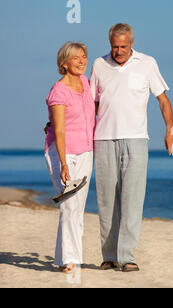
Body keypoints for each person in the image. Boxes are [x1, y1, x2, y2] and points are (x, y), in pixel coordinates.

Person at [90, 23, 173, 272]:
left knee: (133, 199)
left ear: (132, 43)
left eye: (123, 47)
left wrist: (170, 131)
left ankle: (126, 256)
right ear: (110, 44)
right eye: (114, 47)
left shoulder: (147, 63)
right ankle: (109, 255)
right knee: (107, 201)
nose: (118, 51)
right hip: (104, 139)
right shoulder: (98, 65)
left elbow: (162, 100)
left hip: (137, 140)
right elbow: (91, 105)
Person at [44, 42, 96, 273]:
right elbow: (61, 130)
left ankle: (64, 258)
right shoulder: (58, 91)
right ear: (64, 63)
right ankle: (70, 260)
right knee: (69, 205)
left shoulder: (85, 83)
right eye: (76, 57)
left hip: (86, 151)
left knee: (77, 206)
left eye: (84, 56)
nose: (82, 61)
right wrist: (64, 163)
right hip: (63, 154)